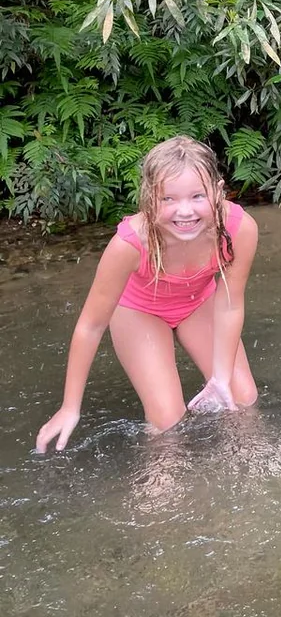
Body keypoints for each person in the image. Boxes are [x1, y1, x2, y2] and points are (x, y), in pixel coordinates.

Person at [36, 136, 259, 452]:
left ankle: (248, 474)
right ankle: (160, 488)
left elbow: (230, 303)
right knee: (169, 422)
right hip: (139, 311)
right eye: (168, 199)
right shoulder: (128, 244)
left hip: (198, 302)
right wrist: (71, 406)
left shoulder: (239, 228)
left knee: (243, 399)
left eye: (198, 196)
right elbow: (90, 326)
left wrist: (221, 378)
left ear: (219, 191)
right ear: (149, 199)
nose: (185, 212)